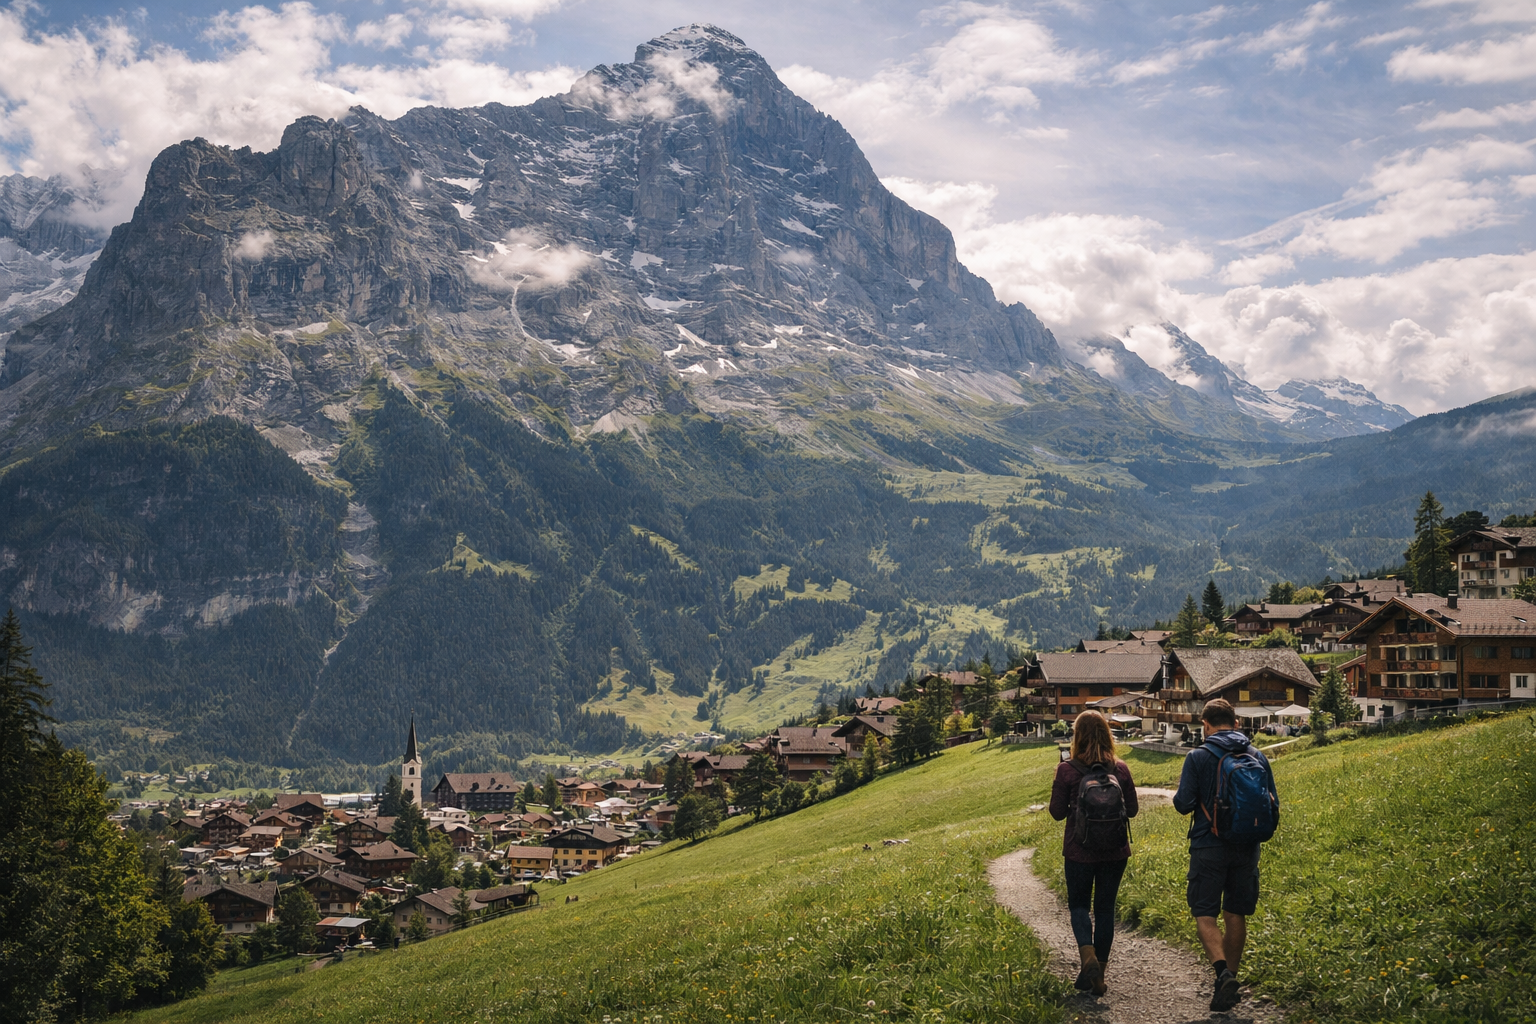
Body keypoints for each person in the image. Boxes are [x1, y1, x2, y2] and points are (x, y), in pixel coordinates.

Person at [1173, 698, 1279, 1012]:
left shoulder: (1198, 756)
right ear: (1234, 723)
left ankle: (1222, 975)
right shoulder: (1256, 754)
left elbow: (1182, 803)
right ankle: (1229, 979)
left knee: (1205, 914)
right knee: (1236, 913)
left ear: (1205, 726)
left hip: (1209, 846)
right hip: (1247, 847)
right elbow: (1272, 801)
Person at [1048, 710, 1139, 997]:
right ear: (1107, 734)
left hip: (1079, 850)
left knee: (1079, 906)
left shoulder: (1067, 769)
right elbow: (1133, 811)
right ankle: (1099, 972)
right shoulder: (1120, 768)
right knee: (1105, 910)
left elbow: (1056, 813)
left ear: (1077, 736)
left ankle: (1087, 957)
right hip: (1115, 851)